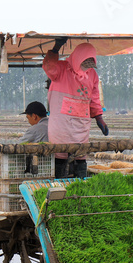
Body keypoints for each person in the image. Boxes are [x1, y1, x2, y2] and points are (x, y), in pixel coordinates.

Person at [43, 39, 109, 178]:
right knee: (60, 153)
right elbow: (49, 68)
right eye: (84, 62)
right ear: (78, 57)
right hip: (61, 124)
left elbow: (95, 98)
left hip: (81, 125)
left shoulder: (92, 75)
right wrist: (56, 47)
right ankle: (59, 184)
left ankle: (80, 185)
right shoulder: (61, 68)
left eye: (90, 64)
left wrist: (99, 117)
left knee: (80, 155)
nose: (86, 66)